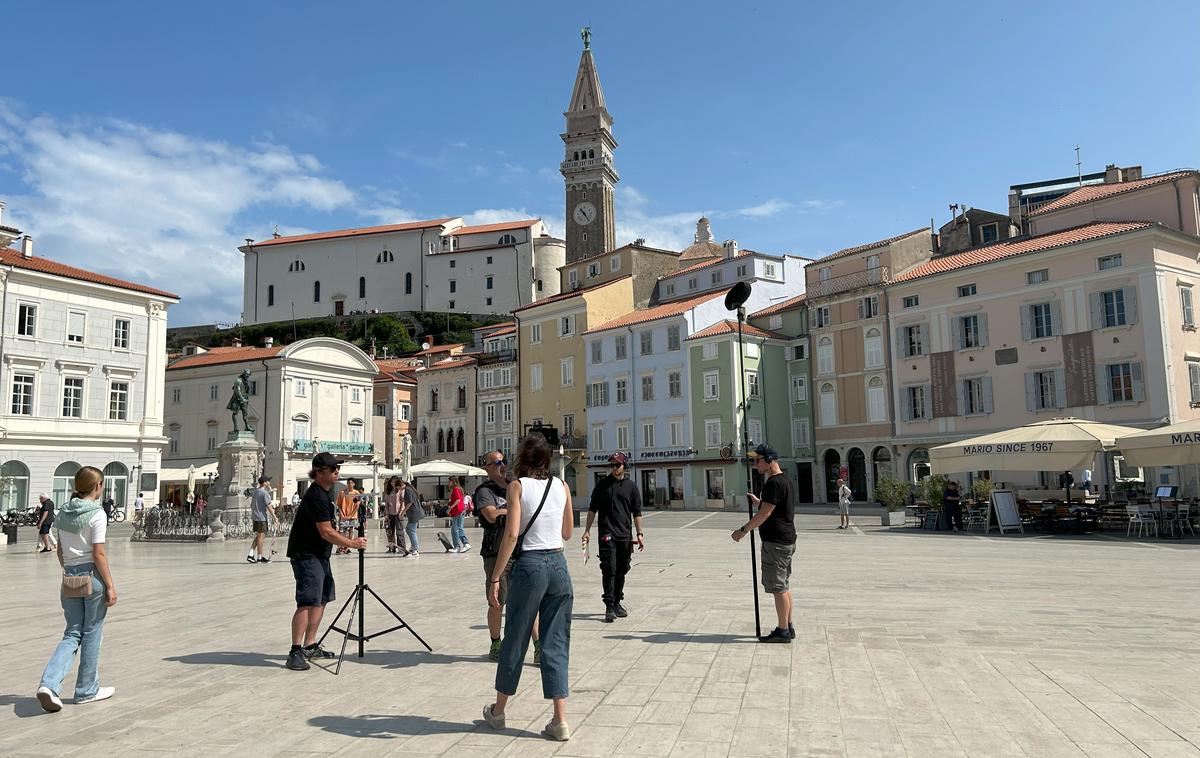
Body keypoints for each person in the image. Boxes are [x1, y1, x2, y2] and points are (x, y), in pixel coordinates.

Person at [482, 434, 574, 741]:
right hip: (559, 565)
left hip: (530, 565)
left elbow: (510, 536)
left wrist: (495, 577)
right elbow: (567, 531)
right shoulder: (562, 486)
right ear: (547, 459)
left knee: (516, 637)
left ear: (523, 457)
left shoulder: (517, 486)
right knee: (556, 640)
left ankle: (498, 712)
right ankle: (559, 720)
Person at [36, 466, 118, 712]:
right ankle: (86, 690)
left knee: (72, 632)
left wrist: (70, 571)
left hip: (69, 576)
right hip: (92, 577)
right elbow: (99, 553)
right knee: (92, 631)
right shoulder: (97, 513)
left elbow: (60, 551)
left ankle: (48, 684)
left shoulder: (63, 512)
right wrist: (110, 586)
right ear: (97, 486)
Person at [284, 452, 368, 671]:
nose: (337, 472)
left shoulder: (326, 493)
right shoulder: (316, 496)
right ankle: (295, 651)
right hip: (307, 555)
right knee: (307, 601)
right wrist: (352, 543)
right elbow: (325, 531)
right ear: (320, 472)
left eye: (337, 469)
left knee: (321, 599)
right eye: (333, 469)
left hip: (320, 555)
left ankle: (310, 644)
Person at [476, 450, 540, 663]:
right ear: (486, 467)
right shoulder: (485, 491)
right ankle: (496, 642)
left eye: (503, 461)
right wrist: (513, 510)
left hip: (522, 551)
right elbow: (491, 515)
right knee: (497, 600)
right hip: (495, 553)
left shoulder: (516, 486)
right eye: (496, 463)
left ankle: (538, 646)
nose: (502, 465)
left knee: (529, 601)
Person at [731, 444, 796, 643]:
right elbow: (771, 508)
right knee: (783, 585)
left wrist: (742, 531)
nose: (755, 464)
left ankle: (782, 630)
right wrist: (758, 502)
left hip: (776, 543)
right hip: (785, 540)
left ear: (769, 461)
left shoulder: (773, 483)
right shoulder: (783, 480)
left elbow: (766, 514)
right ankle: (789, 625)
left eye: (758, 460)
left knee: (778, 587)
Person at [582, 452, 644, 623]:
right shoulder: (602, 486)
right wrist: (587, 530)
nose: (614, 468)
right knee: (609, 568)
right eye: (612, 465)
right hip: (607, 534)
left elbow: (637, 512)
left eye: (617, 465)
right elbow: (592, 509)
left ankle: (617, 601)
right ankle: (609, 606)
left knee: (622, 568)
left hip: (625, 534)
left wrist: (640, 534)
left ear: (624, 466)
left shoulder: (631, 487)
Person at [248, 476, 280, 564]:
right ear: (264, 482)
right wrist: (275, 517)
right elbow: (269, 505)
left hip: (255, 516)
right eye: (268, 481)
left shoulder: (256, 492)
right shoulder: (264, 493)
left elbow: (252, 505)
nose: (269, 483)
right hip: (261, 517)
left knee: (259, 536)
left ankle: (251, 554)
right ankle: (259, 557)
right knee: (261, 537)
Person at [335, 478, 362, 556]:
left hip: (352, 516)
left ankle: (347, 548)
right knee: (342, 532)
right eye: (348, 482)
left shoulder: (356, 493)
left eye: (352, 483)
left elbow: (357, 506)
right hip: (343, 516)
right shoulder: (342, 492)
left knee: (351, 531)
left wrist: (350, 515)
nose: (350, 484)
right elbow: (339, 505)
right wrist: (342, 515)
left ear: (354, 484)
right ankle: (340, 548)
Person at [383, 477, 408, 555]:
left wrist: (401, 512)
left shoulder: (400, 491)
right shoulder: (388, 492)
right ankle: (392, 548)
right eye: (391, 482)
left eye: (394, 482)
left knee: (399, 532)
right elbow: (386, 504)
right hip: (390, 514)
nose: (393, 483)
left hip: (398, 514)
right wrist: (386, 514)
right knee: (390, 533)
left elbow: (402, 502)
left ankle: (401, 548)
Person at [448, 476, 471, 553]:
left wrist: (451, 507)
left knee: (455, 529)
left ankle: (457, 546)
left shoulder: (456, 489)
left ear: (453, 481)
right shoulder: (459, 489)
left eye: (449, 481)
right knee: (458, 528)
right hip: (460, 510)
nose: (448, 483)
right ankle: (465, 544)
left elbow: (458, 500)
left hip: (458, 510)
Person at [403, 479, 423, 558]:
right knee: (408, 529)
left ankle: (416, 549)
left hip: (414, 513)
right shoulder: (409, 489)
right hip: (413, 513)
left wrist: (403, 511)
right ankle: (413, 546)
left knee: (411, 530)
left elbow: (410, 502)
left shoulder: (407, 490)